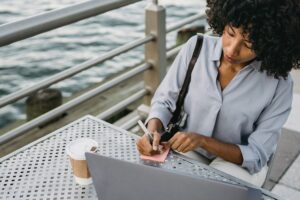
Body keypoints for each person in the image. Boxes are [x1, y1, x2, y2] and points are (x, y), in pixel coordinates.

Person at [136, 0, 300, 187]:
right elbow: (164, 102)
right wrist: (152, 132)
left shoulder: (280, 85)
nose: (232, 49)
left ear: (269, 43)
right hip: (189, 149)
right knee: (162, 182)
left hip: (239, 164)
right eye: (230, 33)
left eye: (248, 44)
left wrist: (203, 141)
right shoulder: (196, 48)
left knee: (215, 189)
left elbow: (256, 154)